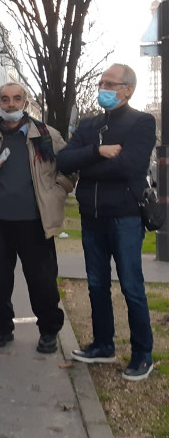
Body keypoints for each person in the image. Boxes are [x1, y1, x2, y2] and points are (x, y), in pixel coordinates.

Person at [56, 63, 156, 381]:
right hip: (92, 217)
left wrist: (86, 163)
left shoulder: (142, 122)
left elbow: (130, 167)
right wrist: (98, 151)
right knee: (96, 285)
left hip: (125, 217)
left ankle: (142, 355)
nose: (103, 88)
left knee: (131, 287)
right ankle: (103, 345)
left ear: (128, 89)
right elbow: (63, 161)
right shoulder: (89, 125)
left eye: (110, 84)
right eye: (101, 83)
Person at [0, 82, 75, 354]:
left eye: (16, 99)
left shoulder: (47, 136)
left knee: (42, 281)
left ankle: (49, 330)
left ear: (25, 103)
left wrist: (56, 192)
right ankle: (2, 327)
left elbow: (70, 169)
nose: (10, 104)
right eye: (5, 99)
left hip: (35, 222)